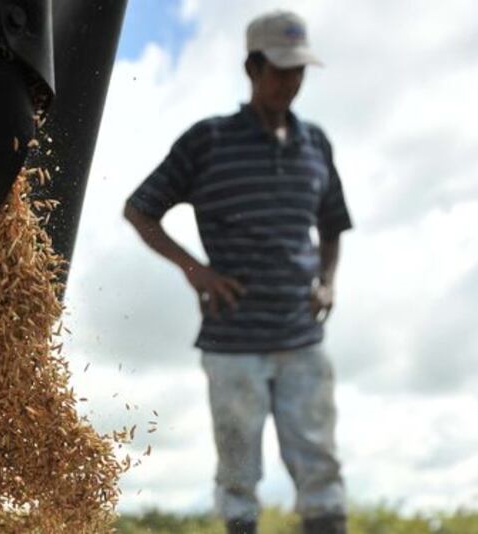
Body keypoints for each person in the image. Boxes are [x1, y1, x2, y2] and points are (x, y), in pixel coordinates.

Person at [123, 10, 352, 534]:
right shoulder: (208, 141)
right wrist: (194, 270)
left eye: (298, 71)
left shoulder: (315, 145)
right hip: (233, 340)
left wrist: (328, 280)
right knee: (238, 473)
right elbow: (141, 209)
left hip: (301, 334)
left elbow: (333, 224)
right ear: (252, 67)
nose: (290, 82)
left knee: (319, 463)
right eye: (279, 70)